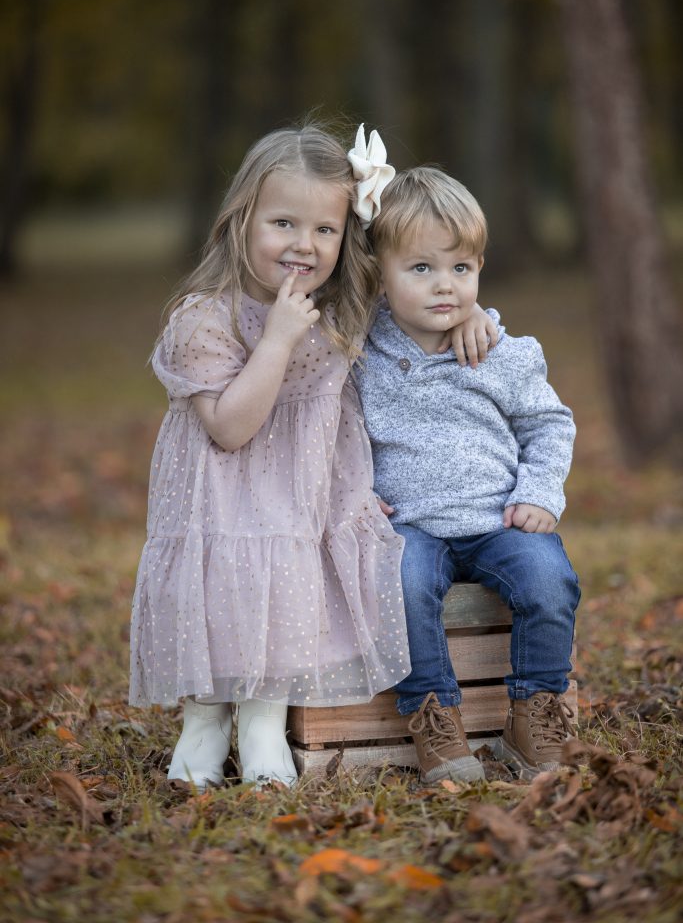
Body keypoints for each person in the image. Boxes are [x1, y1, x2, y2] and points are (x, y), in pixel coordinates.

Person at [129, 125, 496, 790]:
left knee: (284, 592)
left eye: (324, 229)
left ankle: (264, 721)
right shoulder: (200, 318)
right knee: (221, 592)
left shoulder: (343, 309)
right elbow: (231, 430)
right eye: (282, 223)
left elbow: (429, 284)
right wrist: (275, 339)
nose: (303, 243)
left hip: (302, 499)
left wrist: (475, 318)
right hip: (220, 496)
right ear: (241, 221)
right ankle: (205, 719)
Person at [354, 166, 580, 783]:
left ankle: (534, 712)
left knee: (548, 580)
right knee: (401, 585)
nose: (445, 287)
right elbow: (333, 432)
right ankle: (436, 720)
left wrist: (538, 493)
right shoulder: (358, 353)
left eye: (461, 268)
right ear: (380, 274)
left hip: (496, 519)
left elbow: (549, 425)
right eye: (421, 269)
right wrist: (354, 491)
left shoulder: (498, 351)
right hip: (410, 527)